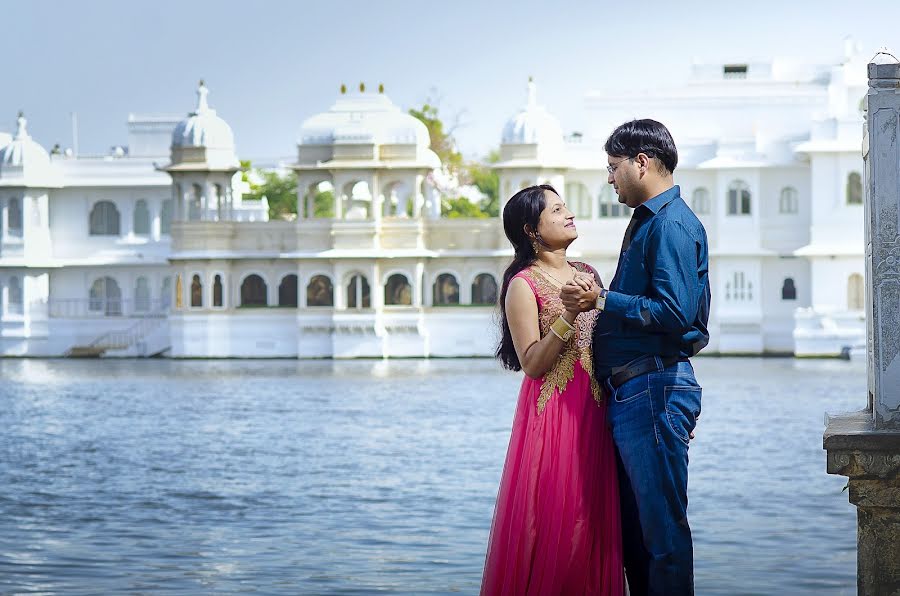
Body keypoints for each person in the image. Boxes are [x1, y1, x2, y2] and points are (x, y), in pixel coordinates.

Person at [560, 119, 710, 595]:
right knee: (637, 538)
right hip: (637, 392)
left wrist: (601, 300)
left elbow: (674, 311)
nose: (609, 178)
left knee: (661, 533)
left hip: (655, 388)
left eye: (613, 167)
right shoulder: (649, 220)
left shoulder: (669, 224)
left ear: (641, 162)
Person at [481, 184, 624, 595]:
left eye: (565, 207)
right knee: (556, 524)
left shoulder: (588, 275)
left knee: (594, 527)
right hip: (554, 418)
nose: (568, 213)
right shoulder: (523, 285)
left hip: (596, 414)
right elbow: (531, 363)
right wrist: (570, 314)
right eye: (557, 209)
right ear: (531, 230)